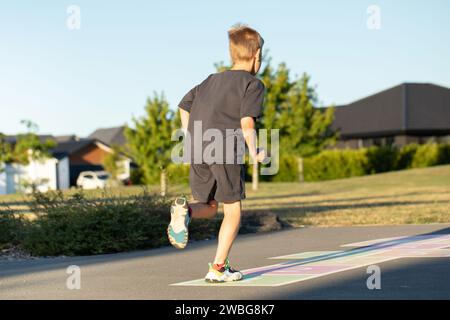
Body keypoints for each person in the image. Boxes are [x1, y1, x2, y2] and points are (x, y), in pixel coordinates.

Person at [167, 24, 266, 283]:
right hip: (225, 148)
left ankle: (185, 211)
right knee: (233, 211)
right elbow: (247, 122)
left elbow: (183, 105)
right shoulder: (253, 84)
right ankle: (218, 268)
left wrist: (190, 136)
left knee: (209, 206)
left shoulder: (210, 80)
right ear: (256, 56)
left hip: (200, 146)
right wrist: (255, 151)